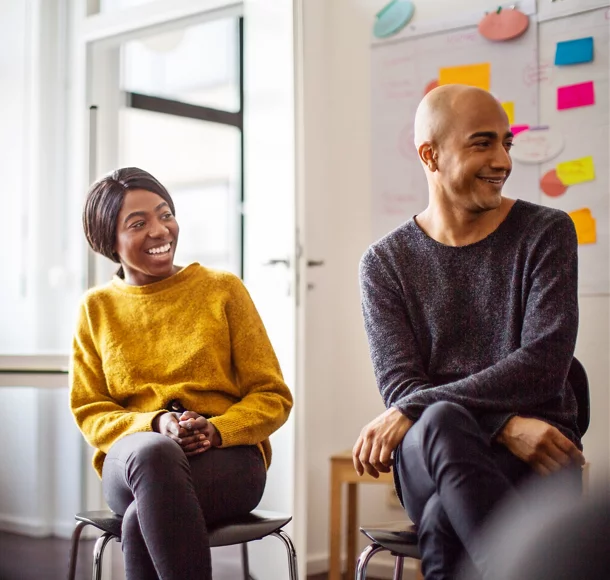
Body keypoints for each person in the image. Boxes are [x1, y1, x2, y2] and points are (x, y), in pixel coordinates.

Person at [352, 85, 585, 579]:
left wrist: (419, 408)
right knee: (438, 423)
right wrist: (501, 423)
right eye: (483, 143)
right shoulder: (384, 263)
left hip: (537, 454)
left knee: (442, 517)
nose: (502, 160)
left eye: (507, 143)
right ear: (430, 155)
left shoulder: (547, 232)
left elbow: (544, 365)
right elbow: (402, 387)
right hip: (434, 451)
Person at [70, 167, 293, 580]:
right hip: (133, 462)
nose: (160, 231)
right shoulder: (96, 308)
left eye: (165, 214)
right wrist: (155, 423)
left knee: (143, 517)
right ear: (109, 242)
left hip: (227, 460)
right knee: (154, 453)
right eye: (138, 224)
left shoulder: (222, 289)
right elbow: (90, 411)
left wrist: (218, 429)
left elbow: (272, 395)